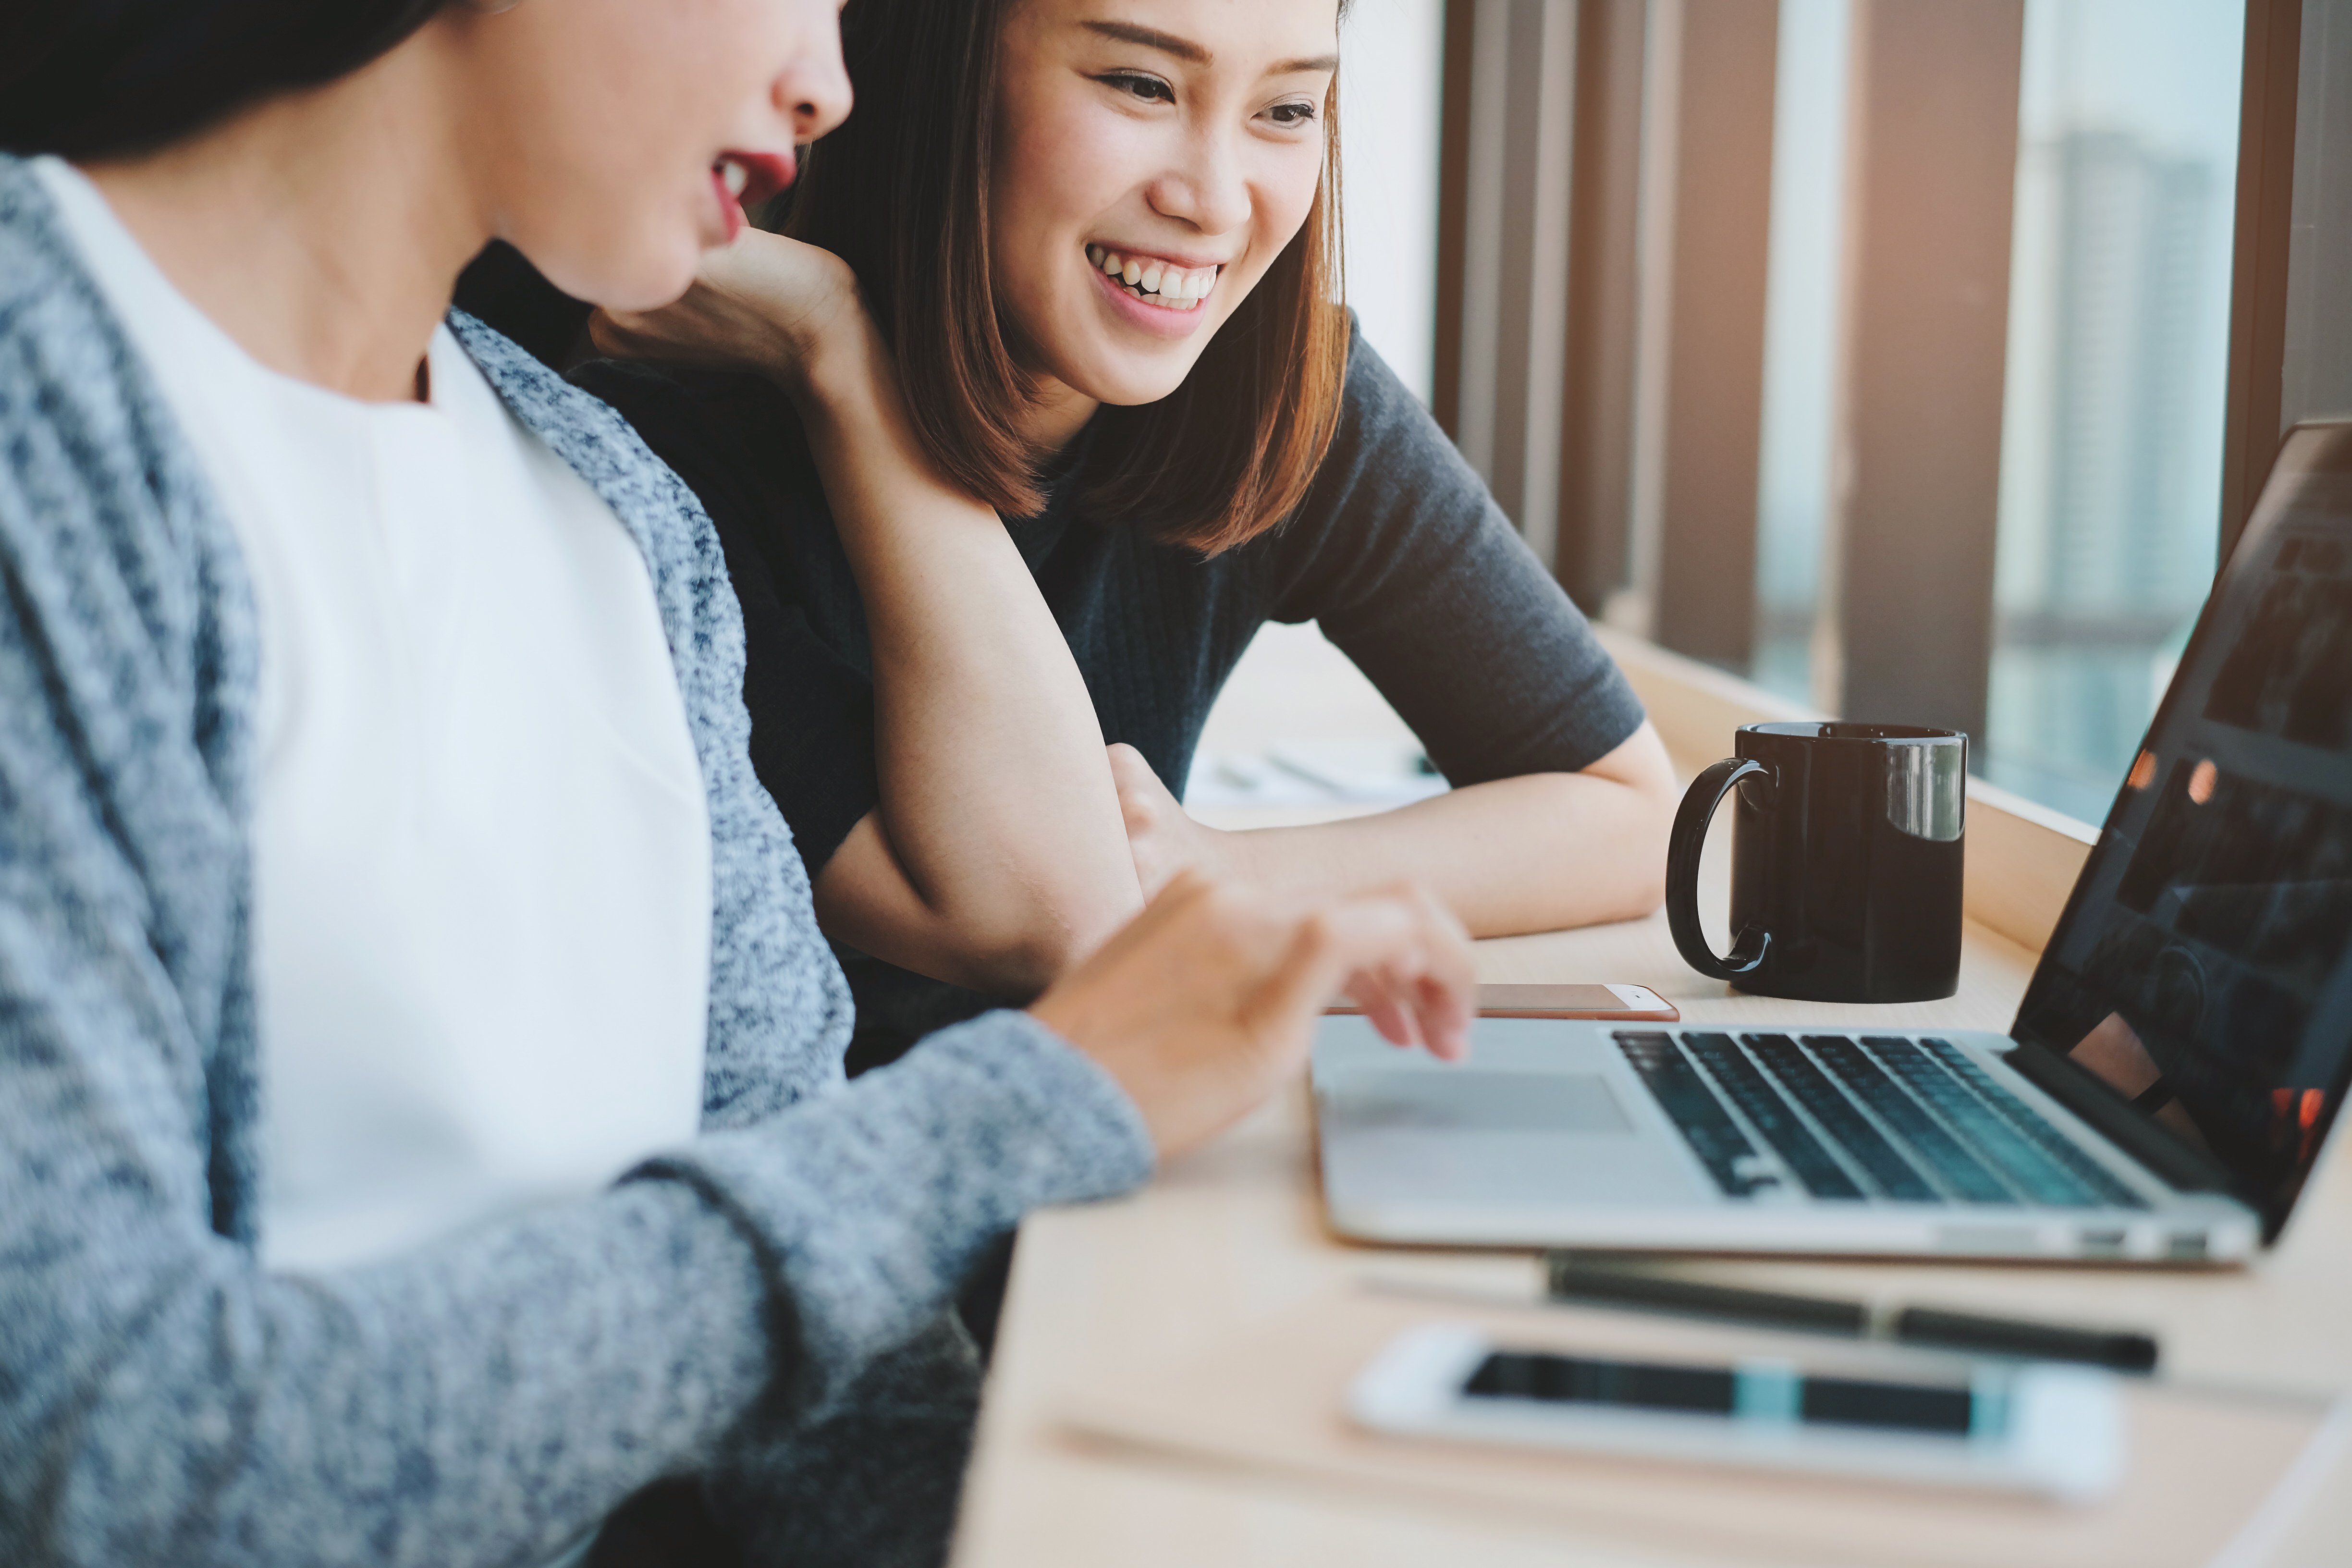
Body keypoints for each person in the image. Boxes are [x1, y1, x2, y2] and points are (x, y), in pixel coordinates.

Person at [0, 2, 1477, 1565]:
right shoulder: (52, 428)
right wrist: (1044, 1101)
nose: (830, 85)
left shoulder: (615, 512)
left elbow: (845, 1389)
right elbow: (105, 1454)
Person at [576, 0, 1681, 1068]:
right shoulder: (639, 454)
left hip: (1102, 1146)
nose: (1214, 201)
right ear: (925, 73)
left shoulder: (1278, 394)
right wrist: (847, 362)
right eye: (1141, 84)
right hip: (838, 1196)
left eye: (1287, 110)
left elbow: (1631, 816)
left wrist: (1225, 873)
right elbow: (1045, 923)